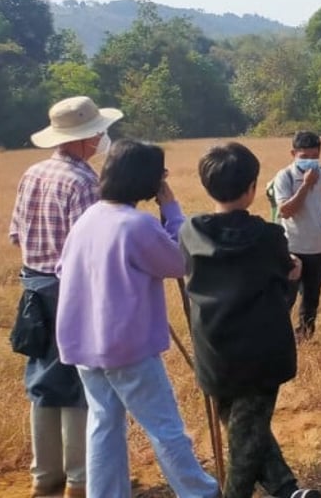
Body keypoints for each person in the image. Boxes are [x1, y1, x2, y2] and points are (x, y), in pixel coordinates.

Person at [55, 140, 219, 498]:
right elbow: (181, 262)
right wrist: (172, 209)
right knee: (165, 428)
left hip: (83, 346)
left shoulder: (88, 218)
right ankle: (200, 492)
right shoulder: (136, 225)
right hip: (127, 350)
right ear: (148, 181)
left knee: (103, 425)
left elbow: (61, 269)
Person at [180, 142, 321, 498]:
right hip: (263, 351)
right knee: (248, 433)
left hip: (215, 350)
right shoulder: (270, 236)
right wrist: (295, 274)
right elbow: (284, 286)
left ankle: (288, 490)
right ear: (252, 188)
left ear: (206, 184)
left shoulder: (191, 231)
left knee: (245, 426)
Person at [8, 96, 121, 498]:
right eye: (98, 132)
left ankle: (45, 476)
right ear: (87, 137)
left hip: (33, 288)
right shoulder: (86, 183)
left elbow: (17, 235)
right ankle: (79, 478)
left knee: (41, 378)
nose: (102, 138)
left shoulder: (32, 173)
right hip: (70, 289)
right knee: (76, 378)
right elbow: (89, 249)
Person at [271, 131, 321, 340]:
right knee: (286, 297)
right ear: (293, 153)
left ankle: (305, 336)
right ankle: (278, 337)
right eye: (304, 157)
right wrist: (305, 185)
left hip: (318, 246)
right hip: (292, 247)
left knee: (312, 297)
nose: (310, 161)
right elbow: (285, 210)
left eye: (314, 156)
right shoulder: (284, 176)